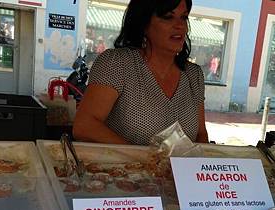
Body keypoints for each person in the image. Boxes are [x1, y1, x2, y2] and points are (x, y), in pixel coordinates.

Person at [73, 0, 209, 145]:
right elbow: (84, 126)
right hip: (121, 167)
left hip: (179, 168)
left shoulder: (194, 75)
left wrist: (199, 163)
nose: (180, 25)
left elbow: (200, 135)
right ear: (144, 24)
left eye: (184, 17)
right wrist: (143, 158)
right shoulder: (117, 63)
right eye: (168, 17)